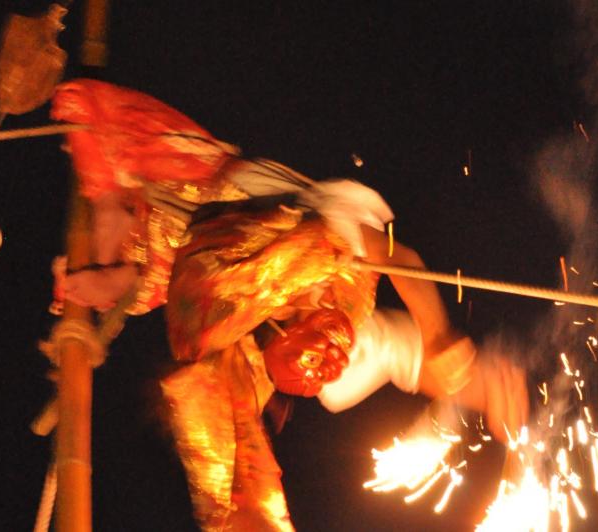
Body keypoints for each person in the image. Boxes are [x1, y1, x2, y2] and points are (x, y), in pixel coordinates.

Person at [49, 79, 528, 531]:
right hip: (193, 199)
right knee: (97, 149)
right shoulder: (328, 269)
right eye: (327, 358)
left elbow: (409, 351)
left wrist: (469, 380)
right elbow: (400, 277)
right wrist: (456, 356)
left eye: (321, 356)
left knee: (225, 437)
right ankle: (116, 226)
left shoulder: (233, 305)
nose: (332, 360)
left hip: (193, 241)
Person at [160, 181, 528, 530]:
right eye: (328, 357)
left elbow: (396, 256)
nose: (336, 351)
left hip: (253, 236)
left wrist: (437, 334)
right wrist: (478, 385)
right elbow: (415, 359)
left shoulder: (312, 244)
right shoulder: (340, 365)